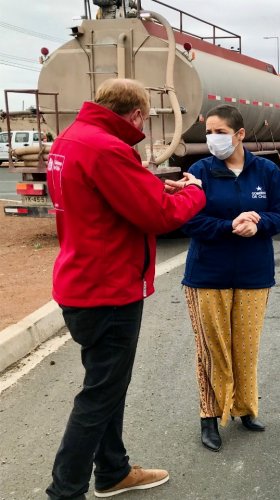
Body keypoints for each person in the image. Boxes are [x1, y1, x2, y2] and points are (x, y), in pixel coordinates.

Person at [45, 78, 206, 499]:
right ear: (135, 114)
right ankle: (65, 490)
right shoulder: (108, 148)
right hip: (108, 289)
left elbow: (106, 197)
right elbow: (157, 216)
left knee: (106, 386)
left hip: (82, 280)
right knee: (99, 396)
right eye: (144, 121)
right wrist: (192, 193)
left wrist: (154, 184)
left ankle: (113, 471)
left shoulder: (71, 140)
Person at [180, 105, 280, 452]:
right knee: (213, 350)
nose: (213, 139)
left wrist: (258, 223)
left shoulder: (266, 171)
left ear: (240, 134)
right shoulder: (200, 171)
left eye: (220, 132)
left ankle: (245, 408)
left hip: (253, 273)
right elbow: (188, 219)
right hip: (207, 274)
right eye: (209, 132)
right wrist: (228, 226)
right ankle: (209, 417)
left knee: (245, 346)